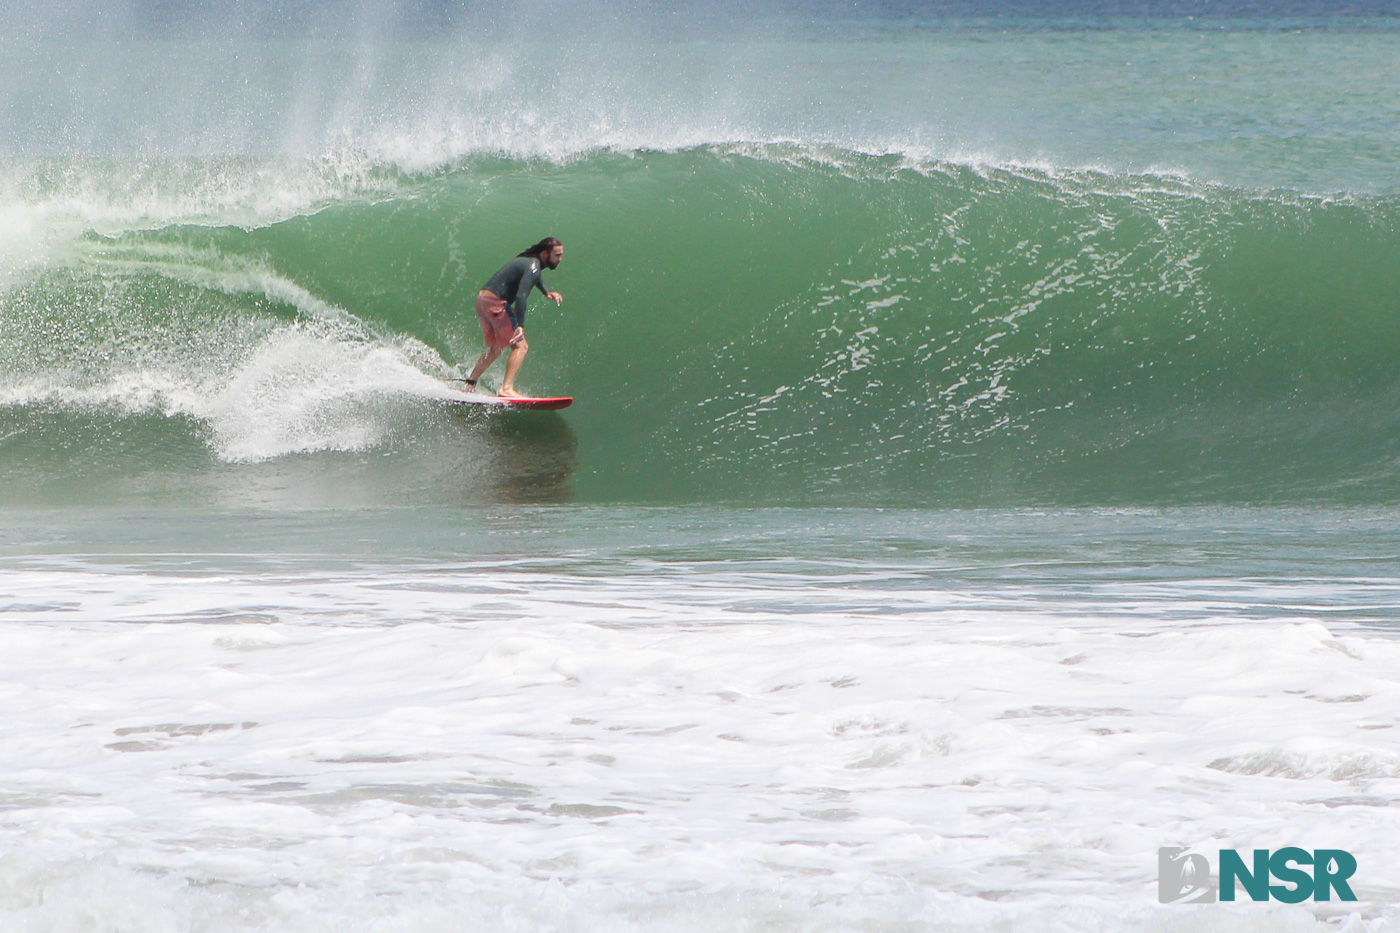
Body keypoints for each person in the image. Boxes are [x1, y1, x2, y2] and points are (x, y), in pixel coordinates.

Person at [461, 237, 564, 398]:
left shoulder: (529, 262)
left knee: (496, 348)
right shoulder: (533, 266)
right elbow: (521, 296)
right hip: (496, 304)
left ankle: (469, 384)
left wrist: (546, 292)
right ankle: (506, 389)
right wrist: (520, 326)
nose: (560, 259)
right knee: (521, 347)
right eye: (557, 255)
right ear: (545, 254)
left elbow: (534, 277)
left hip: (483, 301)